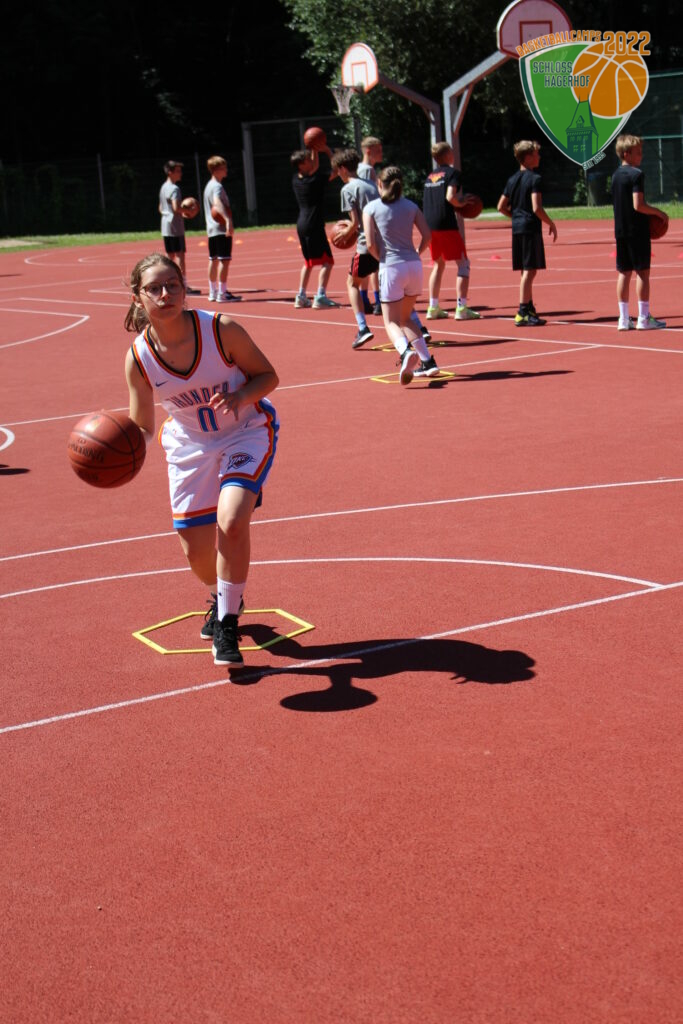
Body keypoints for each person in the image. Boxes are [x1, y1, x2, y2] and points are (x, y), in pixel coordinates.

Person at [124, 253, 279, 667]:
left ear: (183, 287)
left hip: (244, 431)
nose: (165, 294)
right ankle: (224, 594)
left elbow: (268, 376)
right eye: (154, 288)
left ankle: (227, 622)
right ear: (138, 297)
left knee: (232, 520)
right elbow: (143, 426)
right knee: (196, 553)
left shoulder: (220, 330)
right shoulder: (139, 357)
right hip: (189, 444)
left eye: (172, 285)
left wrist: (240, 396)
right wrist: (121, 446)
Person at [362, 166, 437, 383]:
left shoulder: (371, 208)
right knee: (406, 318)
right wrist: (416, 253)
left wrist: (382, 259)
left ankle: (405, 352)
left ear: (379, 184)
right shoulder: (411, 206)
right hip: (414, 266)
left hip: (391, 266)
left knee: (391, 321)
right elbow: (427, 236)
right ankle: (428, 361)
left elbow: (370, 243)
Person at [497, 140, 557, 326]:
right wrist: (551, 223)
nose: (539, 157)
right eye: (536, 154)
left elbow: (500, 206)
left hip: (517, 228)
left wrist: (515, 216)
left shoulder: (512, 179)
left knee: (526, 269)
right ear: (528, 157)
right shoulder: (534, 179)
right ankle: (523, 311)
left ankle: (529, 307)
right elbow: (536, 207)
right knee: (530, 271)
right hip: (530, 228)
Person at [611, 134, 668, 330]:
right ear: (626, 154)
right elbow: (638, 205)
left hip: (620, 230)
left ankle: (623, 318)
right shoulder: (637, 175)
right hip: (637, 231)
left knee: (624, 273)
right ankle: (643, 318)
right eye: (638, 152)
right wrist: (659, 212)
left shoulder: (615, 175)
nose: (641, 156)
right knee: (643, 273)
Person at [422, 142, 480, 321]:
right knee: (463, 264)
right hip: (445, 223)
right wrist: (461, 203)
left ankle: (433, 307)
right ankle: (461, 308)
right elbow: (450, 196)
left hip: (429, 224)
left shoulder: (430, 176)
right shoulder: (453, 173)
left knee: (438, 264)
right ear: (448, 155)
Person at [330, 147, 380, 348]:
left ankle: (362, 328)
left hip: (366, 244)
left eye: (337, 171)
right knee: (392, 286)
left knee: (352, 283)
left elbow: (356, 222)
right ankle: (418, 327)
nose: (337, 175)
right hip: (384, 242)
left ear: (343, 168)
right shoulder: (371, 185)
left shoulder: (348, 189)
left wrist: (346, 233)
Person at [291, 146, 339, 309]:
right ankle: (321, 296)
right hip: (314, 224)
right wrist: (327, 151)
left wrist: (314, 149)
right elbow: (336, 171)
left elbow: (314, 166)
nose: (311, 161)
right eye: (308, 160)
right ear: (301, 165)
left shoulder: (296, 179)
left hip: (301, 224)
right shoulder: (315, 180)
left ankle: (301, 296)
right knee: (328, 262)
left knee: (308, 262)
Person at [158, 159, 200, 294]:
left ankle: (167, 284)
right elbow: (176, 208)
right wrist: (189, 211)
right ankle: (183, 285)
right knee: (180, 256)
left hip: (165, 224)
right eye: (177, 171)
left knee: (169, 257)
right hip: (175, 226)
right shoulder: (174, 189)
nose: (180, 173)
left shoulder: (163, 187)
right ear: (170, 172)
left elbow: (160, 208)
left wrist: (171, 212)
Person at [203, 155, 240, 303]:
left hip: (211, 229)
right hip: (220, 228)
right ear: (216, 170)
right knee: (224, 260)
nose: (226, 170)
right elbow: (217, 203)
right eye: (223, 168)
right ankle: (222, 293)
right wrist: (227, 220)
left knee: (213, 259)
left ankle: (213, 291)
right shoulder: (217, 186)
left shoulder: (208, 186)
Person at [356, 136, 383, 315]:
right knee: (375, 264)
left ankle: (365, 299)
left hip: (364, 221)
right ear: (368, 151)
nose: (381, 153)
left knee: (366, 263)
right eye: (378, 150)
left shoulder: (359, 169)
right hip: (370, 221)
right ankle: (378, 300)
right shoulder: (367, 171)